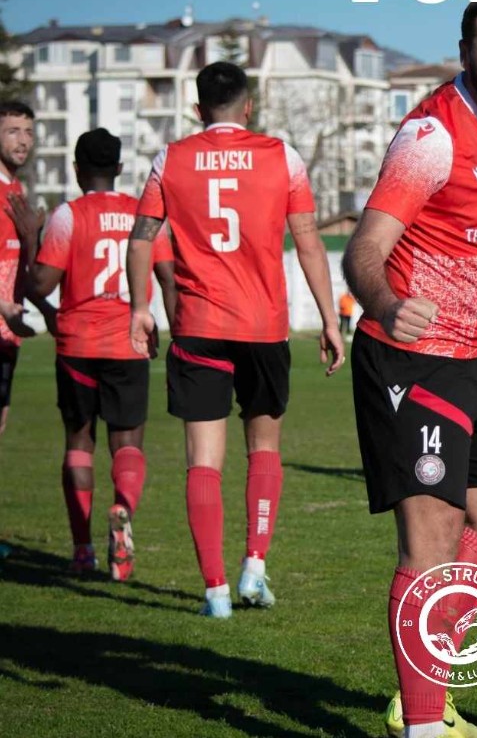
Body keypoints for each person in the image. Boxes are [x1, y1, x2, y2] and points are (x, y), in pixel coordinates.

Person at [341, 2, 477, 738]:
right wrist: (387, 303)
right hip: (408, 355)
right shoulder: (431, 136)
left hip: (465, 357)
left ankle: (425, 681)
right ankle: (424, 723)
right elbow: (363, 249)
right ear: (465, 51)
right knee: (430, 541)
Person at [127, 61, 345, 618]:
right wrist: (329, 318)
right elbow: (309, 244)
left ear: (197, 110)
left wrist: (140, 310)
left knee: (203, 461)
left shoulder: (169, 159)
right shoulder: (282, 157)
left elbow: (141, 239)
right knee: (264, 448)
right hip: (263, 327)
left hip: (199, 327)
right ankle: (255, 565)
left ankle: (216, 592)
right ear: (248, 107)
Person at [24, 128, 176, 579]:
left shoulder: (67, 216)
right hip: (129, 341)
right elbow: (168, 276)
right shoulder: (143, 214)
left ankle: (82, 550)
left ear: (76, 170)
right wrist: (177, 336)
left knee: (79, 443)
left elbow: (41, 284)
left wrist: (31, 240)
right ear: (120, 168)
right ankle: (122, 508)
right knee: (127, 443)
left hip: (77, 345)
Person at [0, 100, 56, 439]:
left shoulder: (15, 190)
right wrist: (3, 307)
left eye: (28, 133)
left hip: (8, 334)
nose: (22, 141)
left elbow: (16, 268)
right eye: (12, 132)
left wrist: (45, 308)